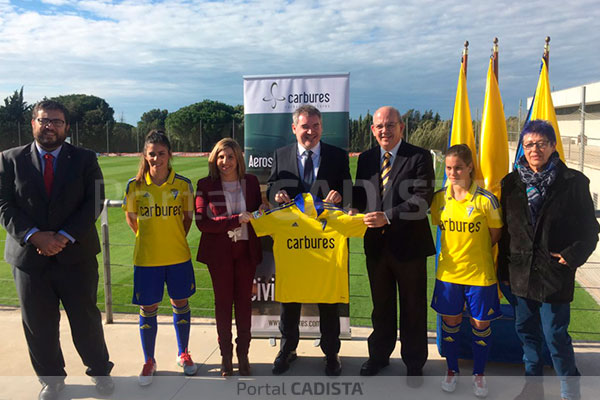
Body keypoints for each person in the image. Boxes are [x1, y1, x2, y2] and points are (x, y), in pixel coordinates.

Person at [0, 100, 114, 400]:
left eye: (56, 121)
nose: (49, 126)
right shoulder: (9, 159)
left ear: (66, 127)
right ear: (33, 123)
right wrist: (35, 236)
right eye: (43, 120)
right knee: (38, 325)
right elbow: (4, 205)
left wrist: (62, 236)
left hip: (75, 255)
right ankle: (52, 380)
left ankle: (100, 372)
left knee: (86, 320)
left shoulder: (85, 158)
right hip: (29, 258)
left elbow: (94, 200)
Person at [498, 120, 599, 400]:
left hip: (554, 274)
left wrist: (572, 256)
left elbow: (590, 230)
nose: (535, 149)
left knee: (555, 335)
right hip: (519, 273)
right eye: (529, 144)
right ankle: (533, 388)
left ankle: (570, 390)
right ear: (523, 148)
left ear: (553, 146)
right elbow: (506, 231)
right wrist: (502, 271)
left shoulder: (574, 182)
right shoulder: (511, 182)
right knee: (526, 332)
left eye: (541, 143)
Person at [267, 104, 352, 376]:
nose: (310, 132)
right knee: (290, 299)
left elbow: (351, 194)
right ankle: (288, 349)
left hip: (326, 244)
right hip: (294, 244)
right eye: (305, 126)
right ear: (294, 128)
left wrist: (341, 197)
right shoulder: (280, 156)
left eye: (315, 126)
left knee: (328, 300)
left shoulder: (338, 156)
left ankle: (331, 354)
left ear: (321, 128)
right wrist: (275, 197)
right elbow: (271, 189)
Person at [353, 106, 435, 381]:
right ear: (372, 130)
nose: (384, 130)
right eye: (379, 126)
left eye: (390, 125)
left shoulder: (420, 157)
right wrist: (347, 206)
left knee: (413, 307)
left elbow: (422, 201)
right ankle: (378, 357)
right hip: (376, 248)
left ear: (402, 127)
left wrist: (387, 217)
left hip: (410, 247)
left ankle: (414, 362)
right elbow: (361, 197)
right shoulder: (365, 159)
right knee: (381, 306)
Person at [123, 130, 197, 386]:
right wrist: (148, 239)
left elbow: (187, 220)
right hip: (146, 259)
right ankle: (149, 360)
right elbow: (131, 219)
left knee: (181, 303)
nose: (157, 159)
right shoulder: (135, 186)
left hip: (178, 257)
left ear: (169, 155)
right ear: (145, 155)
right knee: (148, 309)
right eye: (152, 154)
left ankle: (183, 353)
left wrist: (172, 238)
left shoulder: (183, 184)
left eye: (161, 154)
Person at [430, 144, 502, 397]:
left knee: (480, 324)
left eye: (458, 167)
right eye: (449, 168)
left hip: (480, 275)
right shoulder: (439, 198)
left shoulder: (486, 200)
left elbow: (495, 236)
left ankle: (479, 374)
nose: (453, 172)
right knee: (451, 323)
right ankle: (452, 370)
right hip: (448, 275)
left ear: (470, 166)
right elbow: (440, 228)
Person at [195, 138, 263, 376]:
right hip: (220, 256)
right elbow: (203, 223)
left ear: (238, 159)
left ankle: (243, 354)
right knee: (223, 305)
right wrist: (236, 220)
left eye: (230, 157)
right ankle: (226, 356)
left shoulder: (251, 182)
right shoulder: (205, 184)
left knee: (244, 305)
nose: (225, 162)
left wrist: (259, 213)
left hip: (246, 252)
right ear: (214, 159)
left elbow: (256, 213)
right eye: (221, 157)